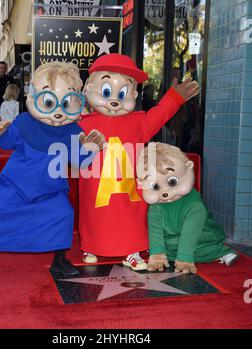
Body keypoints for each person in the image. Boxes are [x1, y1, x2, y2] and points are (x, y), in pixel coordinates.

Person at [0, 62, 105, 281]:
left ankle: (59, 261)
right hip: (16, 187)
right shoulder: (24, 122)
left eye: (66, 102)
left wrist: (91, 149)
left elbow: (80, 160)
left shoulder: (74, 131)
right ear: (35, 96)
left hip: (51, 191)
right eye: (50, 101)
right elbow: (7, 141)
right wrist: (0, 132)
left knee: (63, 214)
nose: (58, 111)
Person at [78, 53, 199, 270]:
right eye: (106, 92)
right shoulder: (82, 124)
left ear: (133, 93)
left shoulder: (137, 122)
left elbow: (159, 115)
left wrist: (174, 98)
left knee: (131, 219)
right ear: (88, 90)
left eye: (122, 93)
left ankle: (131, 251)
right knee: (95, 216)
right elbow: (71, 153)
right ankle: (91, 246)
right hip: (96, 188)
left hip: (130, 189)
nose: (114, 100)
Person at [136, 142, 238, 273]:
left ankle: (221, 252)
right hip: (173, 242)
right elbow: (155, 231)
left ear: (189, 167)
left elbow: (191, 233)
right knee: (167, 246)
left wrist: (185, 259)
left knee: (204, 247)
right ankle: (173, 255)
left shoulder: (194, 206)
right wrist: (157, 256)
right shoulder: (156, 206)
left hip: (201, 238)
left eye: (172, 182)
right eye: (155, 187)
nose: (165, 193)